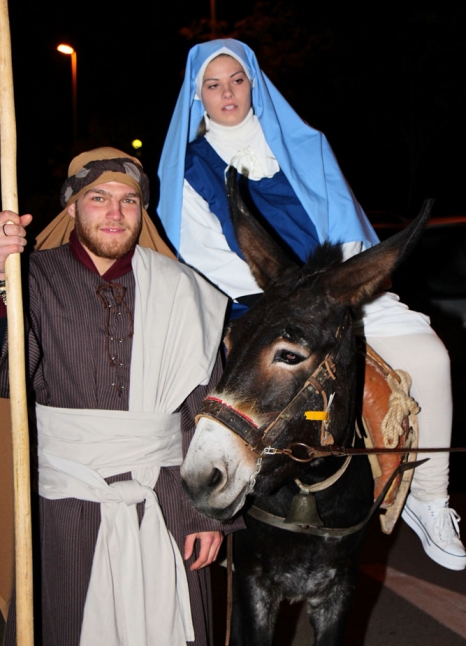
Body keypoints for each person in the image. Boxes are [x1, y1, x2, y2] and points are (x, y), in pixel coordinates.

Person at [157, 38, 465, 571]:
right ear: (197, 96)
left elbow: (343, 225)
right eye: (213, 84)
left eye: (236, 80)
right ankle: (215, 512)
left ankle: (430, 499)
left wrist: (339, 287)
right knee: (219, 389)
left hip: (331, 291)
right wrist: (285, 295)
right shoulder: (189, 167)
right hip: (254, 299)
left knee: (432, 355)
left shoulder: (305, 144)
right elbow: (204, 253)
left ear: (253, 83)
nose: (227, 92)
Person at [0, 147, 235, 646]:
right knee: (64, 625)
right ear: (71, 208)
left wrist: (207, 515)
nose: (114, 213)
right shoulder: (31, 281)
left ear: (142, 211)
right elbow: (7, 379)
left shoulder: (181, 289)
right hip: (63, 506)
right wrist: (2, 280)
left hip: (170, 502)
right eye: (98, 198)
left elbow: (210, 412)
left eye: (129, 201)